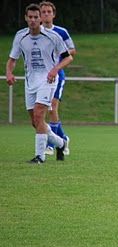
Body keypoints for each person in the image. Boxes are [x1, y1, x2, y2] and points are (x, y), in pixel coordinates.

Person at [5, 3, 72, 163]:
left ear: (41, 18)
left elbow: (69, 57)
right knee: (36, 122)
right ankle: (61, 143)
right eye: (30, 17)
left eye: (36, 17)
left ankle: (40, 157)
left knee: (39, 114)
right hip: (30, 82)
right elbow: (12, 59)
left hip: (48, 81)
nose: (33, 20)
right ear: (26, 18)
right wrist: (9, 72)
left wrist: (55, 70)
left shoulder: (53, 36)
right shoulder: (20, 36)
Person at [40, 1, 76, 157]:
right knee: (42, 111)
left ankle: (50, 145)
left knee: (52, 108)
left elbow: (72, 51)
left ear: (53, 14)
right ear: (40, 15)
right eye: (44, 12)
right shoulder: (35, 33)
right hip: (40, 76)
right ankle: (63, 138)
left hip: (57, 74)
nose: (46, 14)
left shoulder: (61, 32)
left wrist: (59, 57)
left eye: (49, 11)